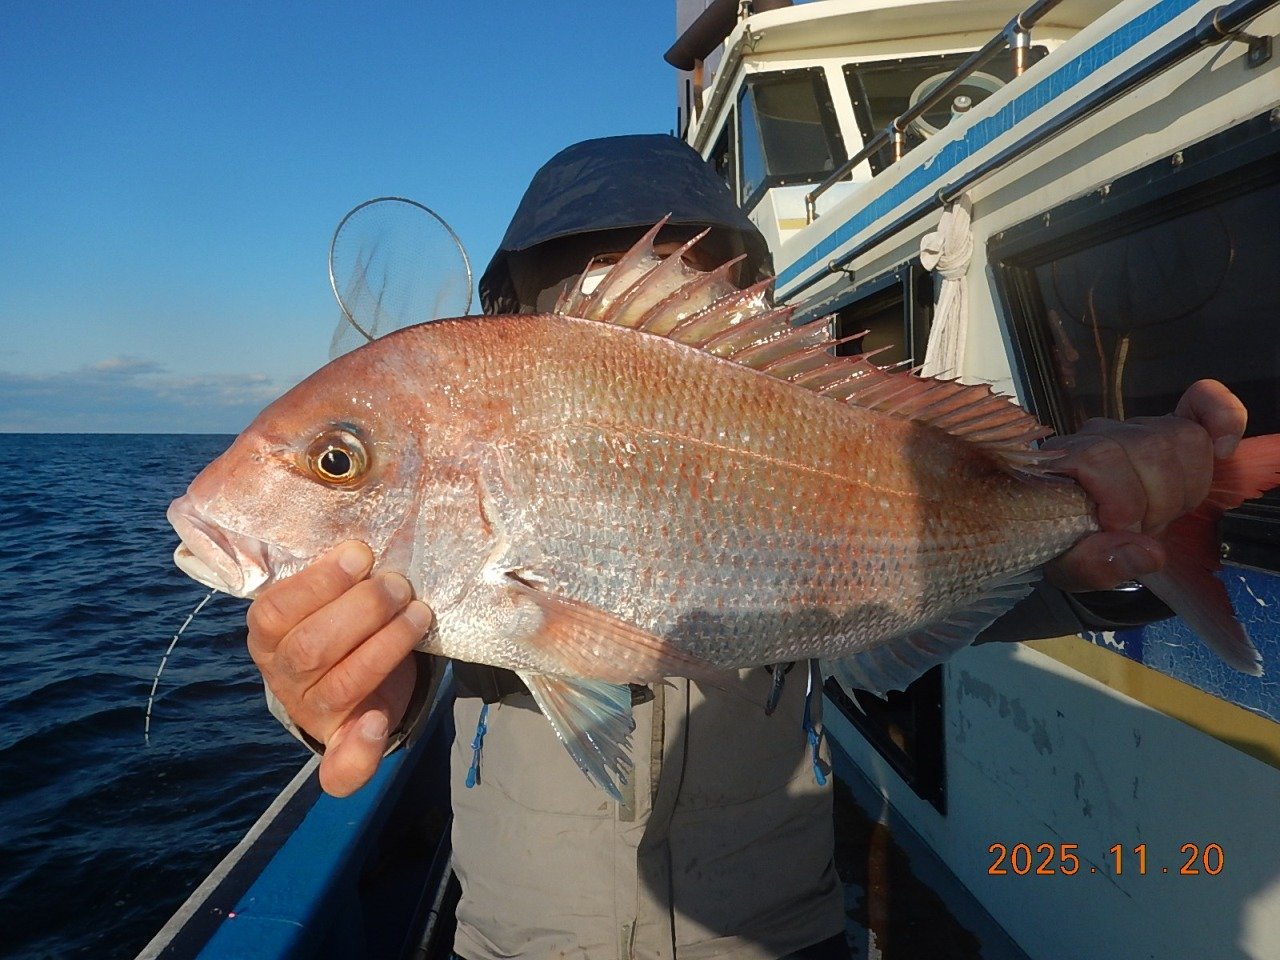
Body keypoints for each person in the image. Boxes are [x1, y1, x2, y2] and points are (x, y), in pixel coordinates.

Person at [246, 135, 1249, 959]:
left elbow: (940, 580)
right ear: (515, 327)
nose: (636, 331)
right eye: (339, 463)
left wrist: (1090, 553)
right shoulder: (449, 534)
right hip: (518, 942)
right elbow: (389, 672)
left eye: (693, 291)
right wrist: (324, 692)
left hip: (777, 936)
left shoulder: (811, 430)